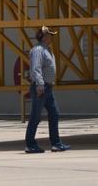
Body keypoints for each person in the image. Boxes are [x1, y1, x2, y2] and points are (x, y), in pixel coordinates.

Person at [25, 25, 70, 153]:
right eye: (50, 35)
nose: (52, 37)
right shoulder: (38, 50)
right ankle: (30, 144)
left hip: (47, 87)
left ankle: (56, 143)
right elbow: (36, 68)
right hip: (41, 87)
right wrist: (39, 84)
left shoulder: (46, 49)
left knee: (54, 114)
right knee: (35, 116)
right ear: (44, 36)